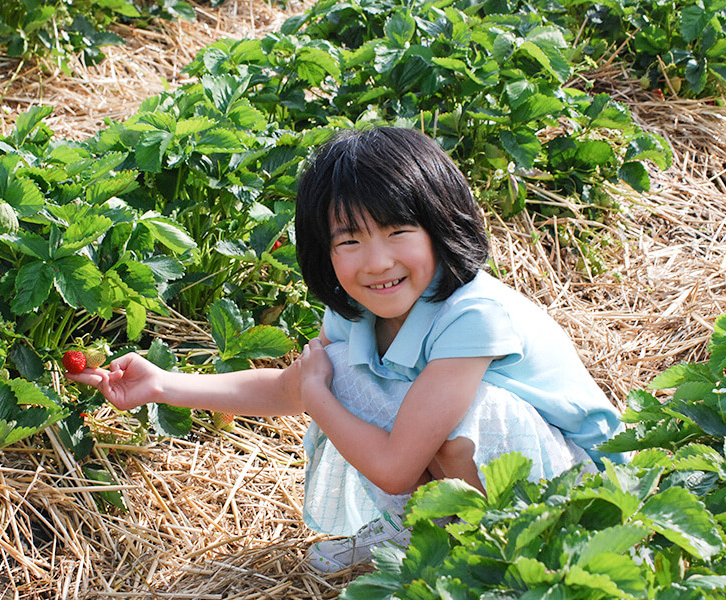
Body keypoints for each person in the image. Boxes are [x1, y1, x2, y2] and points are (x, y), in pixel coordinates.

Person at [66, 126, 627, 573]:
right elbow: (290, 386)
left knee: (462, 414)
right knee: (343, 372)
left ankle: (495, 555)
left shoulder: (472, 312)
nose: (376, 261)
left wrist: (319, 399)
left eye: (398, 231)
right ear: (324, 251)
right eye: (350, 240)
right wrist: (162, 384)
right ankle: (425, 539)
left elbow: (395, 468)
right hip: (475, 466)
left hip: (575, 489)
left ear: (441, 226)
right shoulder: (359, 308)